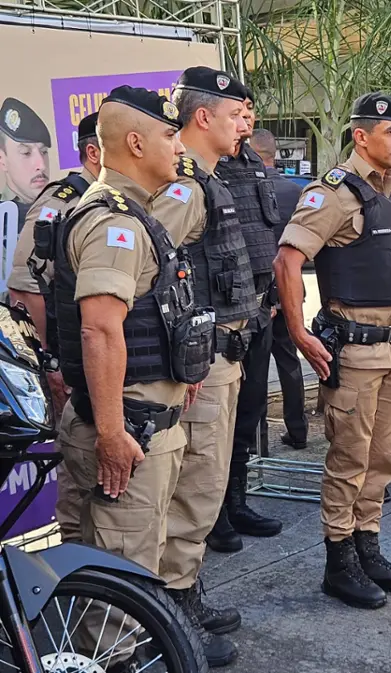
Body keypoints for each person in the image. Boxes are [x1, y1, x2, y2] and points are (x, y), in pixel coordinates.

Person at [52, 85, 213, 664]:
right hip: (130, 430)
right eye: (171, 135)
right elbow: (99, 328)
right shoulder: (113, 223)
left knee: (114, 575)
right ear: (138, 142)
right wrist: (114, 433)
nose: (180, 146)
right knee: (119, 589)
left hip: (143, 422)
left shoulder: (133, 215)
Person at [274, 92, 391, 609]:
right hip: (355, 351)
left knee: (382, 459)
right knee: (349, 460)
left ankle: (369, 547)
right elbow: (288, 261)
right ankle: (339, 562)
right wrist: (298, 333)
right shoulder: (333, 193)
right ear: (361, 137)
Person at [151, 66, 258, 666]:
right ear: (202, 117)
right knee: (192, 492)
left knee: (203, 488)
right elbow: (149, 275)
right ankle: (172, 613)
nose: (243, 122)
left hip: (220, 359)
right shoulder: (186, 186)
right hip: (200, 366)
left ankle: (184, 591)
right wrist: (183, 366)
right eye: (232, 113)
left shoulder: (207, 179)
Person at [7, 111, 100, 544]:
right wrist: (49, 365)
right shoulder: (60, 202)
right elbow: (26, 292)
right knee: (78, 488)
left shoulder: (126, 201)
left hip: (115, 366)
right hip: (72, 363)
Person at [206, 85, 284, 554]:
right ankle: (212, 514)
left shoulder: (251, 163)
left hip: (259, 309)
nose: (247, 120)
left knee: (249, 412)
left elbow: (265, 238)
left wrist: (272, 298)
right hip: (222, 317)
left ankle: (236, 501)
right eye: (238, 112)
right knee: (217, 423)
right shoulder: (203, 168)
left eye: (250, 111)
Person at [251, 128, 308, 450]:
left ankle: (257, 441)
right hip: (290, 289)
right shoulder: (295, 191)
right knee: (289, 360)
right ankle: (297, 429)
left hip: (257, 294)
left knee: (255, 366)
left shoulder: (243, 189)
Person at [0, 98, 51, 246]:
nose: (41, 165)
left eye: (44, 152)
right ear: (2, 160)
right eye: (26, 153)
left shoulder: (64, 208)